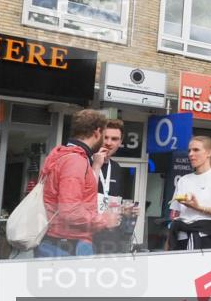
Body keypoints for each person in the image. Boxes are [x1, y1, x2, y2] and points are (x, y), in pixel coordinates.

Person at [37, 109, 120, 257]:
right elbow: (70, 211)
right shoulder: (75, 160)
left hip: (59, 241)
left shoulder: (61, 155)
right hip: (69, 245)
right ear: (97, 132)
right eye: (104, 135)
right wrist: (103, 220)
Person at [168, 136, 211, 250]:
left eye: (196, 150)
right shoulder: (183, 179)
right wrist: (169, 241)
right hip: (179, 237)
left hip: (205, 237)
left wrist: (199, 207)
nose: (190, 154)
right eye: (189, 150)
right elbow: (175, 214)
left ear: (209, 152)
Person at [92, 118, 137, 254]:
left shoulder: (117, 168)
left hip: (111, 239)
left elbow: (114, 203)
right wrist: (96, 165)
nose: (109, 143)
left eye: (114, 139)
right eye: (106, 137)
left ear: (120, 142)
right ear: (98, 137)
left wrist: (126, 211)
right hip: (86, 238)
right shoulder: (85, 161)